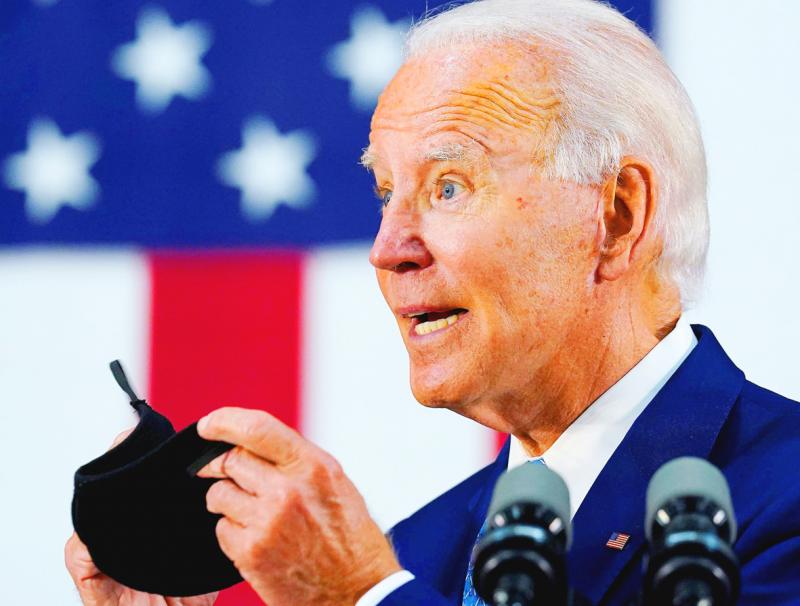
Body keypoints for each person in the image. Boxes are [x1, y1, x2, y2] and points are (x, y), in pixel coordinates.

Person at [65, 0, 800, 604]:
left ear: (616, 217)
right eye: (386, 193)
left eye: (449, 186)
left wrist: (358, 598)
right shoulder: (422, 551)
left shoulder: (784, 497)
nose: (388, 249)